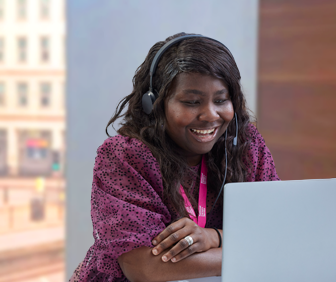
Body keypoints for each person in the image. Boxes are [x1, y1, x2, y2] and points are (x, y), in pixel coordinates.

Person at [70, 32, 280, 282]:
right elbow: (146, 269)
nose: (210, 115)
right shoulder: (124, 157)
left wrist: (215, 237)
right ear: (154, 103)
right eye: (192, 102)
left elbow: (275, 230)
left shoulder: (245, 145)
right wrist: (257, 252)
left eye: (221, 100)